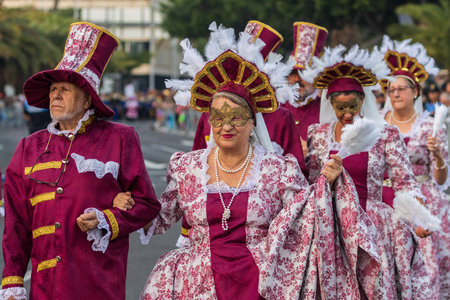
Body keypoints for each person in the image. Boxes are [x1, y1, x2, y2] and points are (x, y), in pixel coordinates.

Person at [136, 22, 348, 299]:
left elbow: (305, 216)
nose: (227, 126)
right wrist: (123, 201)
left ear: (252, 123)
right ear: (209, 121)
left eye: (236, 117)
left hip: (259, 282)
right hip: (197, 283)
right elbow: (158, 217)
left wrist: (326, 183)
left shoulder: (277, 169)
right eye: (218, 117)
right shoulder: (187, 167)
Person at [0, 22, 161, 300]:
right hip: (45, 287)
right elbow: (16, 223)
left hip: (99, 284)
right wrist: (12, 281)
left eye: (65, 89)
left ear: (87, 100)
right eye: (53, 89)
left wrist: (107, 219)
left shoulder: (120, 138)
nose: (56, 95)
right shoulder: (29, 146)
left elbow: (146, 203)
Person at [302, 44, 436, 298]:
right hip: (332, 228)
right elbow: (309, 186)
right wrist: (325, 181)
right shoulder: (318, 136)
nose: (348, 114)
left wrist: (418, 216)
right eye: (340, 108)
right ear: (330, 104)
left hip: (374, 226)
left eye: (352, 105)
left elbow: (404, 181)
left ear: (363, 99)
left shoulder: (384, 134)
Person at [178, 20, 307, 248]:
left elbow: (296, 170)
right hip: (215, 217)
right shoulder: (210, 115)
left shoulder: (281, 116)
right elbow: (196, 170)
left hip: (262, 222)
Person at [378, 36, 449, 298]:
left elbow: (441, 180)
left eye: (402, 88)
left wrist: (438, 155)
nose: (395, 93)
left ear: (416, 92)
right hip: (387, 202)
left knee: (424, 274)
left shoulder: (430, 126)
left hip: (423, 202)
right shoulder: (378, 123)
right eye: (391, 89)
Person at [279, 22, 328, 157]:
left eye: (303, 74)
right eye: (293, 74)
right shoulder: (277, 106)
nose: (297, 79)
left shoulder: (326, 108)